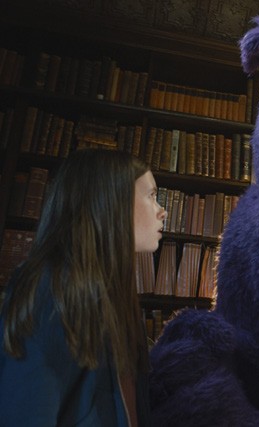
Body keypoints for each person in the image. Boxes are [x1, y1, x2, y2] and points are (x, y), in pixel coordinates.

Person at [0, 149, 166, 426]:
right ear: (110, 201)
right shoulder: (51, 289)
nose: (162, 211)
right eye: (151, 195)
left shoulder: (114, 295)